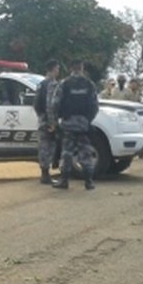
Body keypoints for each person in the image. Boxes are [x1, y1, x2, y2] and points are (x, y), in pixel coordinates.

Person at [50, 59, 99, 191]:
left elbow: (55, 103)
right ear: (82, 68)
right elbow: (95, 105)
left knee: (66, 152)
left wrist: (55, 120)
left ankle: (64, 181)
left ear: (71, 68)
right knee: (86, 152)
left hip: (68, 123)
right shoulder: (89, 84)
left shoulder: (64, 83)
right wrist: (88, 120)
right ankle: (89, 182)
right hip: (83, 124)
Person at [33, 59, 61, 185]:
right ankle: (45, 175)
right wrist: (52, 123)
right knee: (48, 147)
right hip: (48, 122)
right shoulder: (51, 84)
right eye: (57, 68)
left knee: (44, 147)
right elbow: (50, 105)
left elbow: (36, 104)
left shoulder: (41, 83)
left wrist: (41, 117)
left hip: (42, 119)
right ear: (53, 69)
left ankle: (45, 174)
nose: (58, 71)